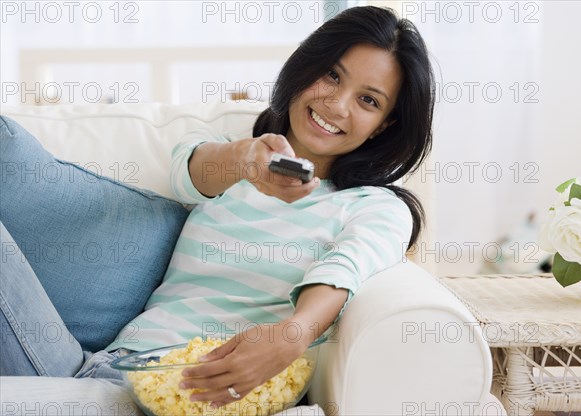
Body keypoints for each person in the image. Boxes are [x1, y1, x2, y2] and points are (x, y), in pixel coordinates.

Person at [0, 5, 434, 412]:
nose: (336, 105)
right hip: (108, 372)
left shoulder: (376, 206)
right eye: (332, 76)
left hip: (197, 395)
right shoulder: (231, 162)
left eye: (368, 100)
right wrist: (246, 163)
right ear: (306, 69)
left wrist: (291, 335)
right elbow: (192, 170)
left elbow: (344, 270)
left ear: (385, 125)